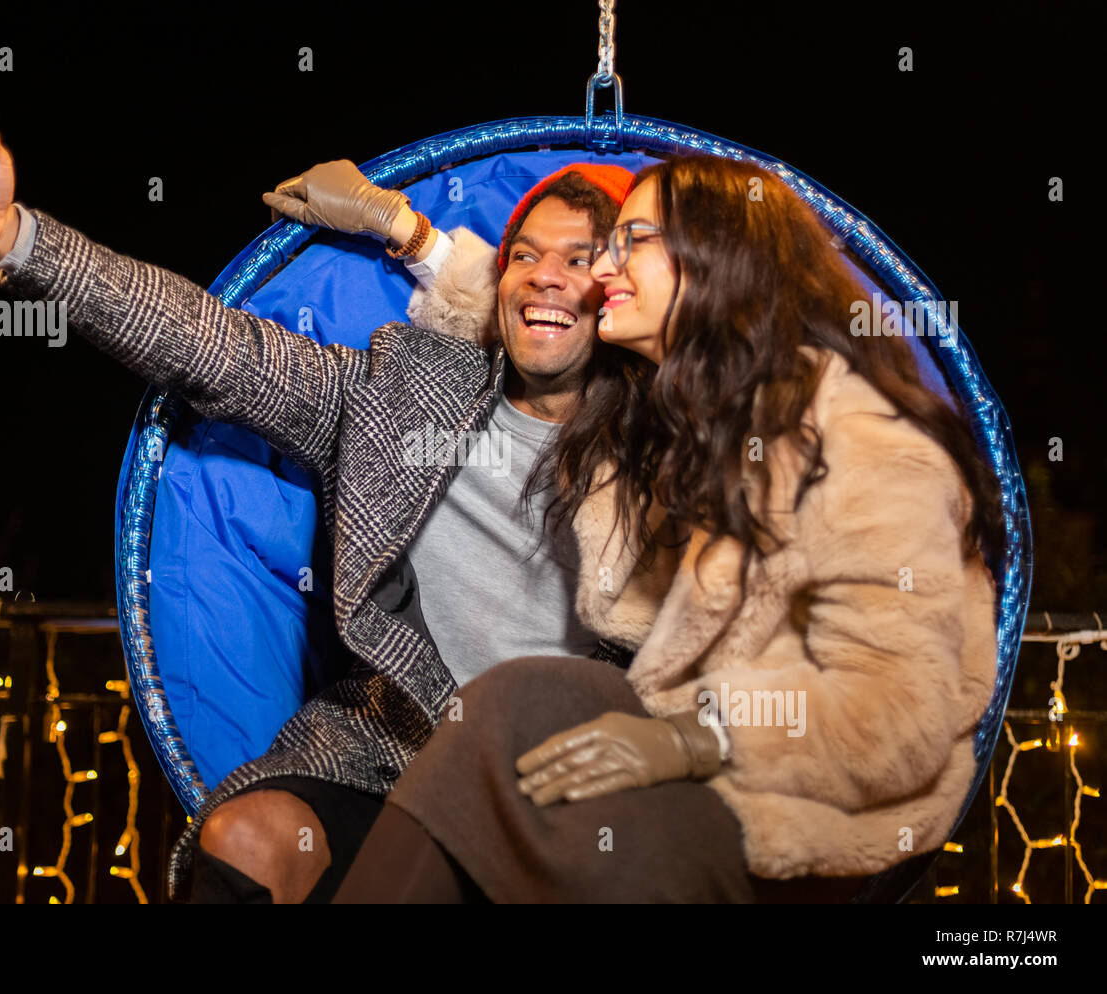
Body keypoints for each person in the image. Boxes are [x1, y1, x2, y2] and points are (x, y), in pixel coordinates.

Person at [0, 122, 644, 902]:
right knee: (248, 840)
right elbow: (210, 346)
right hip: (399, 758)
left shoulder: (679, 438)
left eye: (577, 258)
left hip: (590, 787)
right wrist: (18, 236)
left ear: (625, 291)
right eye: (523, 256)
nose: (543, 277)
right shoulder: (403, 388)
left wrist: (412, 229)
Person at [331, 154, 1005, 903]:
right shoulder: (695, 408)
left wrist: (692, 739)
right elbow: (530, 296)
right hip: (693, 759)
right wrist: (401, 227)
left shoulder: (860, 442)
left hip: (809, 817)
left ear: (718, 258)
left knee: (519, 720)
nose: (601, 269)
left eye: (632, 241)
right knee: (517, 706)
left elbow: (900, 711)